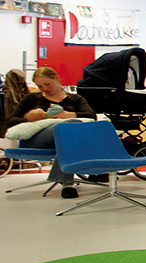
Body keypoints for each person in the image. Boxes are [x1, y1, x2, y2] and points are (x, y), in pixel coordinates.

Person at [1, 66, 97, 198]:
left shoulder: (75, 99)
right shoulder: (32, 99)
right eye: (40, 86)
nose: (45, 89)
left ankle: (66, 182)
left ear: (56, 78)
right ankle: (69, 182)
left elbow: (91, 116)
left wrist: (71, 115)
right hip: (39, 139)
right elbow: (10, 121)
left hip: (67, 138)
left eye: (47, 84)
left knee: (69, 128)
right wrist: (28, 118)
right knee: (66, 128)